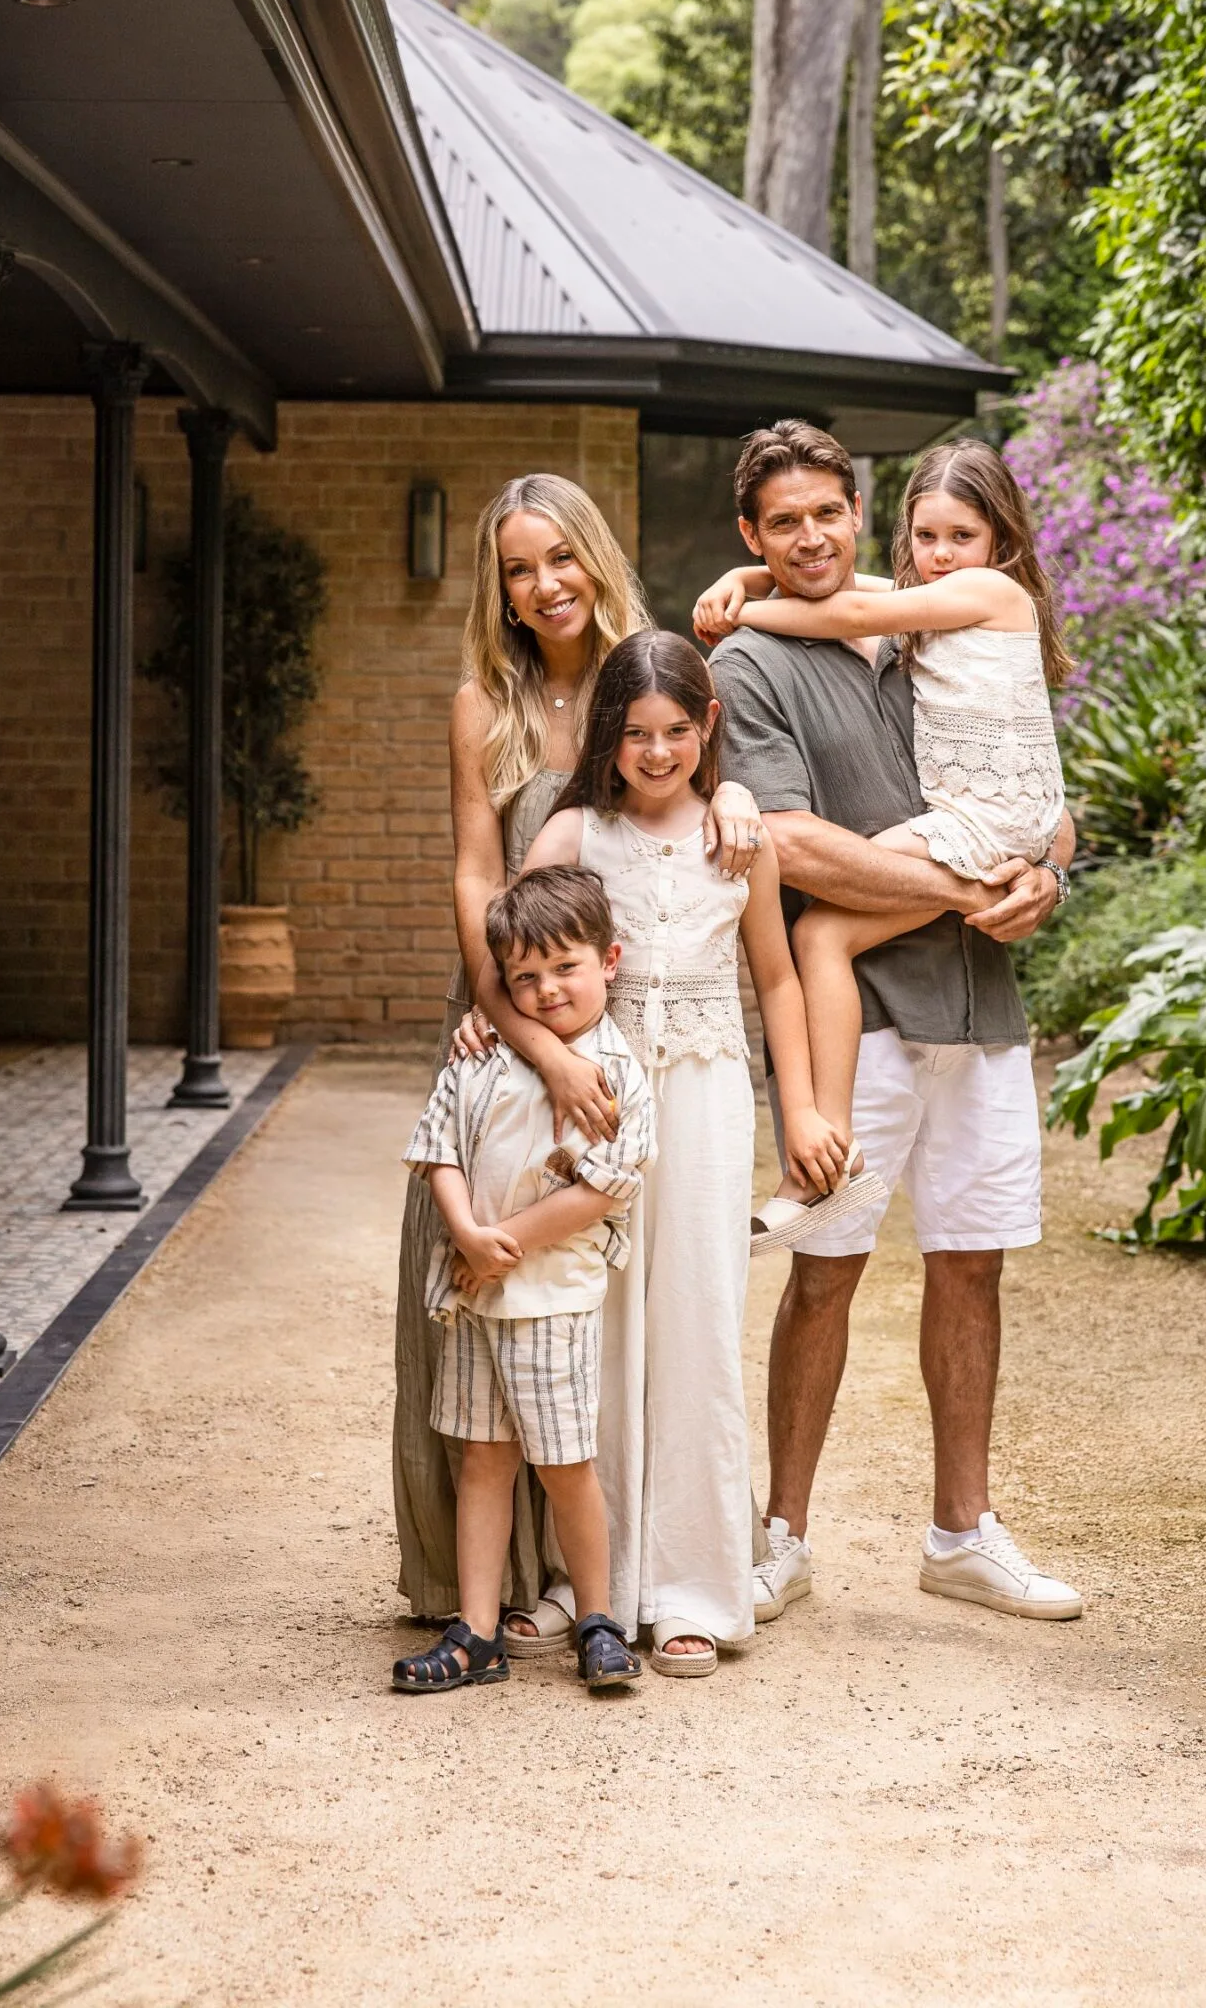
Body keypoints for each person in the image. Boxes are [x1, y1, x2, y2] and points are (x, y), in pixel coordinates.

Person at [697, 421, 1085, 1625]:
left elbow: (1032, 785)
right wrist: (971, 890)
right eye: (783, 524)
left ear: (858, 512)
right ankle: (781, 1538)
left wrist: (1049, 875)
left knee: (973, 1269)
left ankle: (962, 1534)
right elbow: (791, 842)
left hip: (982, 1005)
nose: (812, 537)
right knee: (826, 1271)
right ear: (752, 537)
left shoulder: (932, 615)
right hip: (854, 1017)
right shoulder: (749, 666)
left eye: (829, 512)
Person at [392, 472, 763, 1633]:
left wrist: (740, 785)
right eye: (517, 566)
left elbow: (700, 751)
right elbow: (471, 869)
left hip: (626, 1018)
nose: (542, 584)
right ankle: (485, 1582)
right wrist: (508, 1016)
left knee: (617, 1294)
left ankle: (626, 1571)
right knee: (469, 1277)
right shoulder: (482, 705)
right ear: (497, 588)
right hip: (508, 1004)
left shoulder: (636, 678)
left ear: (595, 559)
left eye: (560, 557)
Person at [516, 632, 851, 1674]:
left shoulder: (740, 839)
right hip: (600, 1100)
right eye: (635, 734)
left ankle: (700, 1583)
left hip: (707, 1096)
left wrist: (800, 1111)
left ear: (706, 726)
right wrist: (533, 1045)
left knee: (698, 1322)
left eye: (676, 731)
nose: (656, 752)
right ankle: (595, 1580)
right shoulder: (574, 831)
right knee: (600, 1322)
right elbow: (505, 955)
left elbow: (781, 979)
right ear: (606, 736)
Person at [696, 437, 1069, 1177]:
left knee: (822, 939)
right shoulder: (921, 606)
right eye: (926, 537)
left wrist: (749, 609)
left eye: (962, 537)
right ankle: (827, 1142)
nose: (940, 553)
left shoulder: (965, 601)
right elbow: (788, 842)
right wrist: (749, 580)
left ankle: (823, 1138)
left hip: (980, 939)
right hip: (888, 1003)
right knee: (826, 939)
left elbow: (839, 610)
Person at [392, 866, 654, 1697]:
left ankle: (598, 1620)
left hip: (551, 1300)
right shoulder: (480, 1052)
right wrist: (464, 1233)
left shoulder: (614, 1070)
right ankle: (473, 1632)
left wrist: (497, 1242)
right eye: (523, 979)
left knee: (565, 1462)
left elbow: (605, 1184)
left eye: (564, 969)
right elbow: (436, 1147)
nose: (544, 992)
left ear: (608, 960)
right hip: (473, 1300)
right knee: (481, 1459)